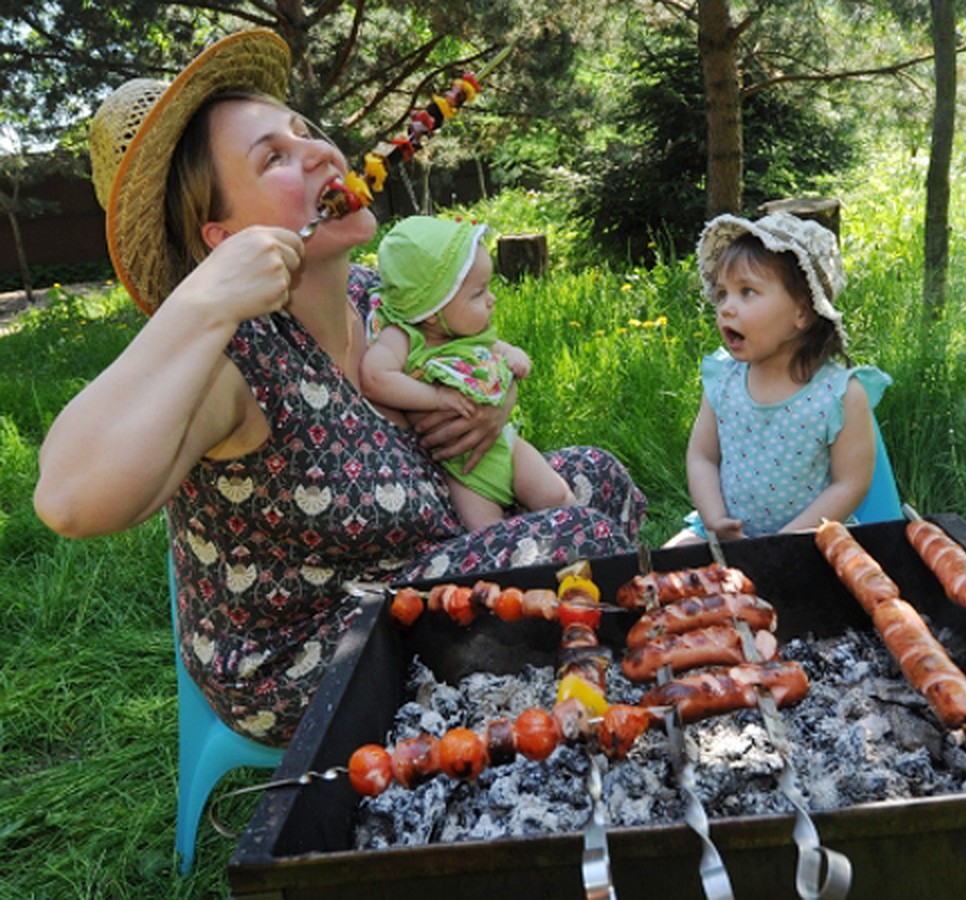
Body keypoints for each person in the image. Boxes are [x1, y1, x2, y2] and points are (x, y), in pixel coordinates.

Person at [33, 30, 646, 748]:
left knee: (594, 472)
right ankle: (574, 708)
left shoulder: (369, 296)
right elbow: (68, 501)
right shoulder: (233, 359)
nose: (322, 152)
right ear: (221, 238)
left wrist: (492, 405)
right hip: (317, 643)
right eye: (275, 157)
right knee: (581, 540)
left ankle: (565, 686)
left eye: (305, 133)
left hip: (429, 547)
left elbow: (468, 354)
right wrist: (202, 305)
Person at [664, 212, 890, 546]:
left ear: (802, 312)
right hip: (726, 532)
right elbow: (702, 456)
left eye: (747, 292)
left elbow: (850, 484)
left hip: (812, 537)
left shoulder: (839, 395)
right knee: (663, 571)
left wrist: (785, 542)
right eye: (723, 293)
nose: (726, 308)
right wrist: (714, 519)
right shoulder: (724, 379)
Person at [360, 216, 576, 531]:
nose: (492, 299)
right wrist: (435, 397)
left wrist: (515, 357)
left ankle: (584, 549)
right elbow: (375, 377)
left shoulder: (470, 332)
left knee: (556, 494)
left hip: (505, 445)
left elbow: (499, 349)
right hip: (462, 469)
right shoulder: (405, 337)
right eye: (478, 293)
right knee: (487, 533)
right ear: (432, 311)